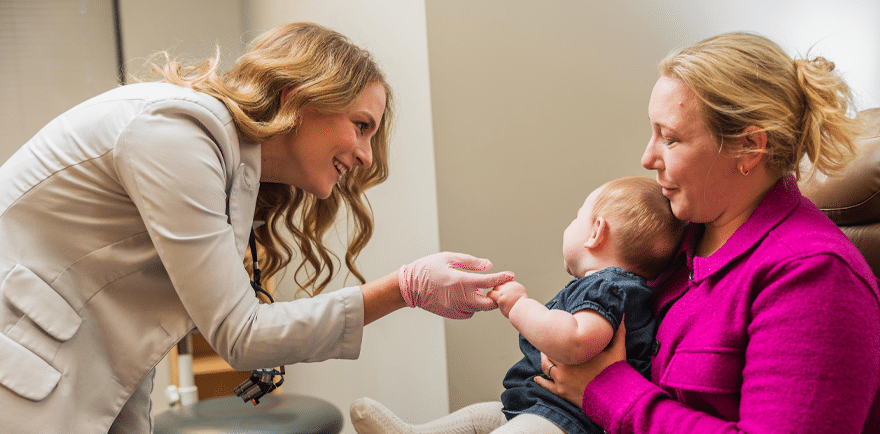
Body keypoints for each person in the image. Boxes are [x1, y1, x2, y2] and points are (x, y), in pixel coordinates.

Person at [0, 22, 513, 434]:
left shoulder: (223, 161)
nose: (365, 155)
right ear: (298, 98)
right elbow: (240, 335)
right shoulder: (175, 135)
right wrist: (407, 287)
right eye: (362, 126)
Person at [535, 32, 880, 433]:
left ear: (749, 148)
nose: (647, 158)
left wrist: (607, 389)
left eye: (671, 138)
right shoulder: (674, 239)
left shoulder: (815, 277)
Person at [349, 176, 686, 434]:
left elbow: (577, 342)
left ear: (596, 232)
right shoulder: (610, 288)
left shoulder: (609, 287)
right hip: (540, 410)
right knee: (483, 416)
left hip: (564, 421)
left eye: (577, 215)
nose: (570, 223)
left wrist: (521, 306)